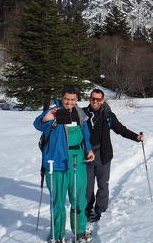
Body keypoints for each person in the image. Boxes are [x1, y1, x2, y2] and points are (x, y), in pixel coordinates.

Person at [34, 85, 95, 243]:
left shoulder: (80, 114)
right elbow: (38, 124)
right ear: (61, 98)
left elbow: (86, 137)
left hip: (78, 159)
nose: (69, 102)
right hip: (56, 162)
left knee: (79, 198)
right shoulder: (54, 111)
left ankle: (79, 231)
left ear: (76, 100)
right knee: (58, 201)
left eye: (73, 100)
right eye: (67, 99)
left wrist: (88, 150)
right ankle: (57, 235)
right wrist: (46, 118)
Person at [83, 89, 145, 223]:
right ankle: (87, 209)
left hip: (103, 154)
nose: (95, 101)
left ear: (102, 101)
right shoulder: (82, 113)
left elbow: (120, 130)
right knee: (87, 186)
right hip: (86, 154)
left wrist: (136, 137)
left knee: (102, 185)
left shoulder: (108, 115)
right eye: (93, 98)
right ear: (90, 99)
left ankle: (100, 210)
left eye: (98, 99)